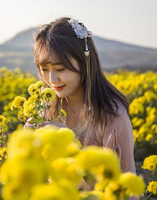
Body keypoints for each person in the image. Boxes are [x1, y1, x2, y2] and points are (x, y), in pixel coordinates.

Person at [29, 17, 136, 176]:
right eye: (44, 69)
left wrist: (69, 146)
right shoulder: (47, 108)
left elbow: (123, 189)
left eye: (60, 69)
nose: (51, 80)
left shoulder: (112, 116)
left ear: (85, 63)